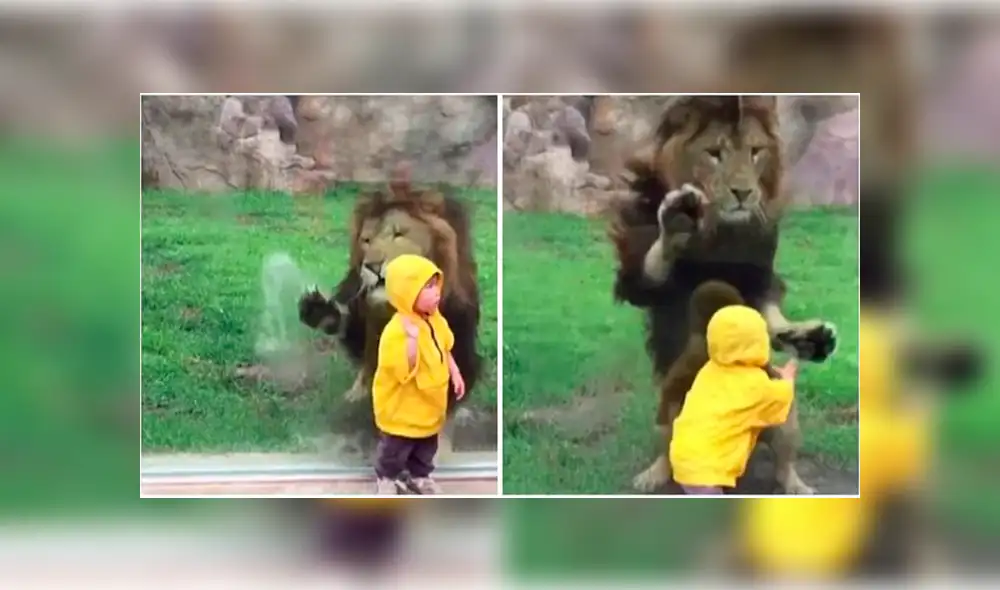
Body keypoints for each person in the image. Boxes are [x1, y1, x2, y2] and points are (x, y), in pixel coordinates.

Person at [669, 304, 798, 495]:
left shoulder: (710, 370)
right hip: (706, 471)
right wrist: (788, 378)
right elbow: (779, 400)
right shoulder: (754, 384)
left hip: (684, 457)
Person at [371, 254, 465, 495]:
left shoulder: (435, 320)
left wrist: (454, 372)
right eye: (428, 287)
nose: (437, 293)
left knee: (426, 446)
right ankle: (386, 478)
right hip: (402, 408)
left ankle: (420, 476)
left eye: (436, 285)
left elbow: (444, 347)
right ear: (407, 292)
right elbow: (404, 369)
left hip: (428, 405)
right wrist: (412, 341)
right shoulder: (397, 331)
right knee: (396, 447)